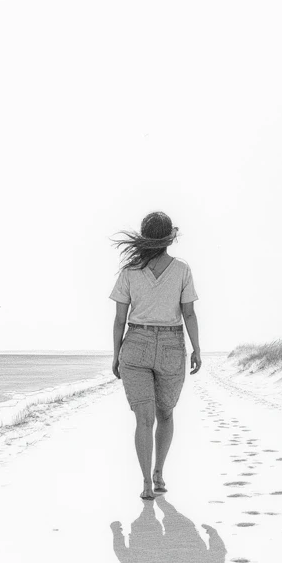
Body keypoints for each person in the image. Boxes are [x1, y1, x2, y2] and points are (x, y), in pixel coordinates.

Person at [109, 211, 201, 499]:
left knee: (144, 419)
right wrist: (197, 348)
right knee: (166, 413)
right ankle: (159, 474)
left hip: (135, 344)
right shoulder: (182, 269)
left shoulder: (129, 271)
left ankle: (146, 484)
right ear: (168, 239)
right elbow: (188, 312)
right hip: (172, 346)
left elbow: (119, 320)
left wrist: (115, 355)